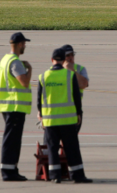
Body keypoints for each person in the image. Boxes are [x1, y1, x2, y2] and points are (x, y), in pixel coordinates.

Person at [38, 47, 92, 183]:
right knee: (72, 148)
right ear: (63, 60)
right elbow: (76, 96)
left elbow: (39, 98)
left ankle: (55, 176)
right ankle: (77, 175)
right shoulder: (70, 75)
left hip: (50, 120)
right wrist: (78, 112)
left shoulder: (43, 76)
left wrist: (40, 114)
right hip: (68, 119)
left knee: (52, 148)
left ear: (52, 60)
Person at [0, 32, 32, 181]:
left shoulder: (5, 59)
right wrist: (29, 69)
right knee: (12, 140)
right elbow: (24, 82)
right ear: (20, 44)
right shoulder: (15, 62)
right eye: (24, 44)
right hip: (14, 106)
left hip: (7, 105)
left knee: (12, 139)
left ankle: (11, 168)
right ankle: (8, 171)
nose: (25, 46)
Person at [59, 44, 89, 134]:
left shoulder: (80, 69)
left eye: (72, 55)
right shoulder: (57, 70)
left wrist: (72, 71)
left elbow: (84, 84)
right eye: (68, 55)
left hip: (74, 110)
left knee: (71, 141)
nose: (71, 57)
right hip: (58, 110)